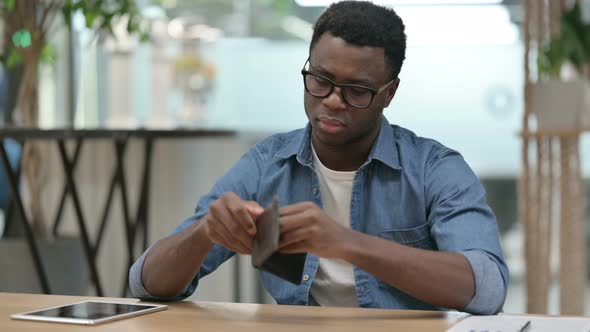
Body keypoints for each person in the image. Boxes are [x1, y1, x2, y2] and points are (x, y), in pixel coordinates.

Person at [130, 0, 508, 315]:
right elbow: (146, 285)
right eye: (321, 80)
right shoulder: (268, 164)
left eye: (356, 90)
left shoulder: (434, 169)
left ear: (389, 93)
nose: (331, 100)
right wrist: (203, 233)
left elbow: (487, 289)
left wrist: (344, 242)